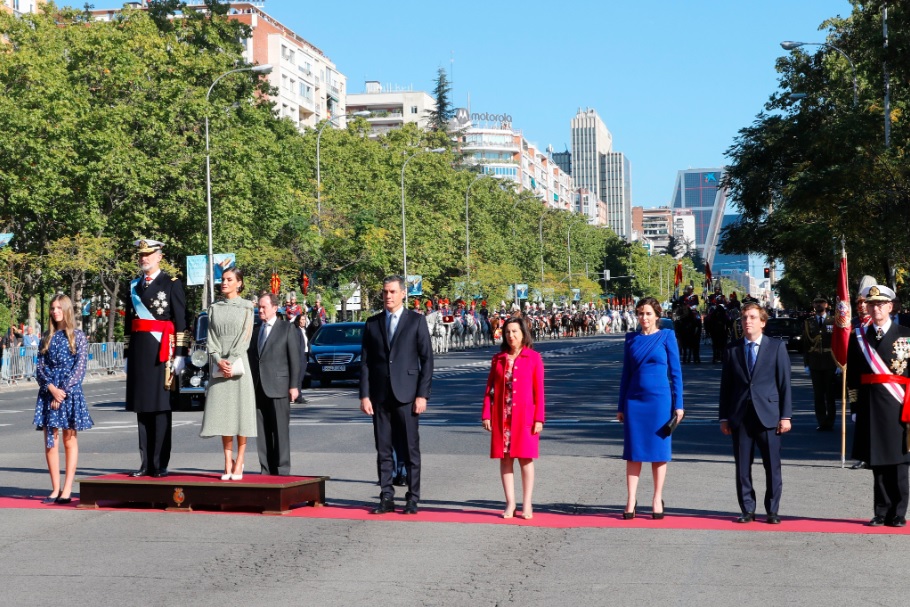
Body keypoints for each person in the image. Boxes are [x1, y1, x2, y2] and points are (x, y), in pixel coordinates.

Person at [360, 275, 433, 515]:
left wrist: (422, 395)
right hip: (380, 396)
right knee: (383, 449)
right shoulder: (372, 323)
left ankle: (413, 497)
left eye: (392, 292)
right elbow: (367, 362)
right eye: (384, 292)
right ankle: (386, 496)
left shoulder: (416, 321)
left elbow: (427, 361)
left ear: (403, 294)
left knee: (411, 449)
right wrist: (365, 395)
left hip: (408, 395)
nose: (388, 296)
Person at [719, 302, 792, 524]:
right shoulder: (732, 349)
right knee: (742, 467)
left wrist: (785, 416)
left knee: (772, 465)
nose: (747, 322)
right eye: (744, 318)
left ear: (762, 322)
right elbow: (726, 386)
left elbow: (784, 384)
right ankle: (747, 509)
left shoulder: (776, 347)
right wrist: (724, 417)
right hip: (740, 416)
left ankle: (772, 510)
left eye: (751, 317)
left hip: (768, 415)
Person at [847, 285, 910, 527]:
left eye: (881, 304)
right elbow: (852, 376)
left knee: (898, 462)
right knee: (877, 462)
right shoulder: (859, 337)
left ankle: (899, 512)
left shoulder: (906, 334)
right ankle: (880, 511)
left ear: (891, 307)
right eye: (871, 304)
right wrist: (854, 408)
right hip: (870, 406)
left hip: (899, 406)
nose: (876, 308)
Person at [124, 239, 188, 478]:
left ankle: (160, 463)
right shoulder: (132, 286)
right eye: (141, 255)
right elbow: (128, 324)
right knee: (142, 409)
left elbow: (181, 321)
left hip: (163, 354)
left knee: (160, 409)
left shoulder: (171, 284)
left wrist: (181, 354)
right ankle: (145, 463)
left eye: (149, 254)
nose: (144, 258)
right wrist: (127, 354)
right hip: (141, 354)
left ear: (159, 256)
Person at [617, 297, 684, 520]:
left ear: (657, 315)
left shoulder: (667, 336)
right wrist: (620, 406)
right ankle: (630, 499)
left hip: (660, 402)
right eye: (640, 313)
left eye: (647, 313)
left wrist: (679, 405)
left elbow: (676, 373)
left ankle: (657, 498)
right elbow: (625, 375)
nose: (643, 318)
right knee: (633, 453)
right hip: (634, 401)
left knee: (659, 452)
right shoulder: (631, 339)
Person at [482, 316, 545, 519]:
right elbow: (489, 389)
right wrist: (486, 414)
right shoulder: (498, 359)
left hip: (525, 416)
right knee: (505, 459)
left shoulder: (533, 358)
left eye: (515, 331)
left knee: (526, 459)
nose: (511, 336)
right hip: (502, 415)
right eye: (507, 332)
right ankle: (510, 503)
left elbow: (539, 391)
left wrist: (539, 419)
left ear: (523, 333)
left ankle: (527, 503)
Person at [32, 295, 92, 504]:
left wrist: (62, 392)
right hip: (49, 392)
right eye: (52, 308)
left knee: (69, 439)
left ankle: (67, 489)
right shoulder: (46, 337)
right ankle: (55, 488)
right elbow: (39, 367)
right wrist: (50, 388)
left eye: (59, 307)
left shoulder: (78, 336)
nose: (55, 311)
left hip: (69, 392)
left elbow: (79, 369)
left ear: (66, 310)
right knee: (50, 441)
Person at [199, 267, 256, 481]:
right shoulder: (214, 308)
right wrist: (217, 359)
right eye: (222, 279)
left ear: (239, 283)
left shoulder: (247, 307)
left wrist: (230, 360)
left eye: (229, 279)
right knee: (223, 415)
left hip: (239, 366)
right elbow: (210, 337)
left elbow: (246, 337)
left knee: (240, 414)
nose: (224, 283)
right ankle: (226, 461)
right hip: (219, 366)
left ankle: (240, 460)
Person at [248, 292, 300, 476]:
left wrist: (294, 386)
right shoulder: (256, 330)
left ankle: (283, 468)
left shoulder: (287, 328)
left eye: (264, 307)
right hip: (258, 386)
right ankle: (266, 469)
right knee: (262, 431)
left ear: (275, 308)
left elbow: (295, 359)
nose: (260, 310)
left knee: (280, 431)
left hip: (279, 386)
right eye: (259, 307)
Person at [803, 296, 837, 431]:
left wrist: (840, 363)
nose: (818, 305)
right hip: (815, 362)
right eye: (816, 302)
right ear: (813, 305)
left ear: (827, 305)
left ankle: (831, 421)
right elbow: (805, 343)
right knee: (818, 395)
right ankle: (822, 421)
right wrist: (806, 363)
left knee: (830, 394)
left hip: (830, 361)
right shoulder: (808, 322)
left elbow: (839, 342)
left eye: (821, 302)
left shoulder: (834, 321)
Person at [293, 312, 308, 404]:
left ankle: (298, 395)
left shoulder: (304, 330)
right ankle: (298, 396)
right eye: (302, 319)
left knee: (301, 377)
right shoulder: (297, 331)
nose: (304, 321)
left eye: (304, 319)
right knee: (299, 377)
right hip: (300, 356)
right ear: (298, 321)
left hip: (305, 355)